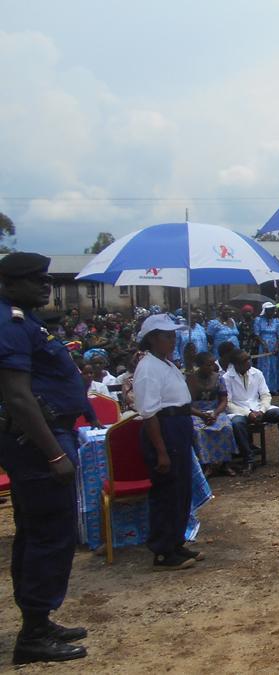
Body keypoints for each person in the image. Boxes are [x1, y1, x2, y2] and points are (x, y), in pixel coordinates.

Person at [0, 252, 90, 664]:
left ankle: (37, 619)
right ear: (9, 283)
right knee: (52, 533)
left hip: (46, 437)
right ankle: (34, 634)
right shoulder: (11, 323)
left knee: (37, 531)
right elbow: (18, 396)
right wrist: (54, 454)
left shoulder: (26, 321)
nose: (45, 286)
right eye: (35, 279)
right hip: (38, 444)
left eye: (47, 279)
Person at [132, 313, 203, 571]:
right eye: (167, 336)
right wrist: (161, 451)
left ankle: (176, 541)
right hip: (165, 428)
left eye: (174, 336)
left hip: (180, 425)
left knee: (181, 489)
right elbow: (149, 413)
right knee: (167, 491)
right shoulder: (148, 368)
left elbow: (188, 396)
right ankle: (162, 550)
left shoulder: (168, 364)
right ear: (152, 338)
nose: (172, 340)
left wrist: (190, 364)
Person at [224, 350, 279, 469]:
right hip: (239, 411)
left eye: (248, 359)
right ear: (236, 364)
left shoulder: (257, 373)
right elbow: (228, 403)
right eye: (245, 361)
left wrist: (262, 410)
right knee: (237, 424)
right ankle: (248, 459)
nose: (249, 362)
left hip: (258, 407)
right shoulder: (226, 378)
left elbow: (265, 395)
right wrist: (248, 413)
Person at [187, 352, 237, 477]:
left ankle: (226, 463)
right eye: (208, 365)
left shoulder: (219, 378)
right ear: (200, 366)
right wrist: (202, 415)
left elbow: (224, 400)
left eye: (213, 363)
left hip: (215, 410)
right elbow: (187, 404)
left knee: (226, 427)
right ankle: (206, 465)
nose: (213, 367)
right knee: (198, 431)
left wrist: (215, 413)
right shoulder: (191, 380)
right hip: (196, 412)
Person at [254, 304, 279, 393]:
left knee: (274, 366)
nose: (271, 312)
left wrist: (277, 346)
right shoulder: (259, 320)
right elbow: (257, 334)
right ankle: (264, 389)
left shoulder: (277, 321)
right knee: (264, 365)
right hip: (263, 345)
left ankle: (274, 388)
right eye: (269, 310)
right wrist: (263, 344)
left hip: (273, 344)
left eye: (272, 310)